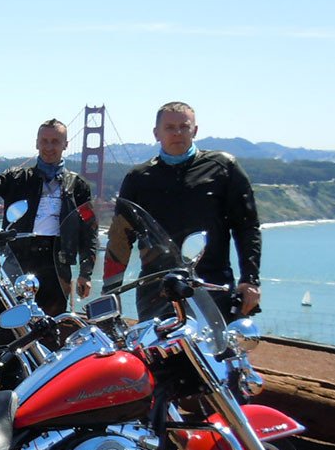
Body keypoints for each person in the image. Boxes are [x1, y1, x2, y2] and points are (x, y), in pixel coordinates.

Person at [111, 101, 261, 319]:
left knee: (215, 352)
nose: (177, 133)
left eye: (184, 126)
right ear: (156, 133)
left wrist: (250, 280)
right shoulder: (138, 178)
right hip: (156, 288)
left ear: (195, 130)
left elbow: (247, 227)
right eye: (169, 128)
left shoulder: (223, 167)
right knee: (158, 352)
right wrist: (109, 291)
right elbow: (120, 240)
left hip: (211, 284)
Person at [0, 119, 96, 315]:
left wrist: (85, 274)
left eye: (55, 141)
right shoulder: (18, 178)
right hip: (18, 261)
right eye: (44, 141)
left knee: (52, 325)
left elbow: (89, 232)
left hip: (56, 266)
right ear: (36, 143)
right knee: (9, 323)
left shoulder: (78, 186)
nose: (48, 147)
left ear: (66, 145)